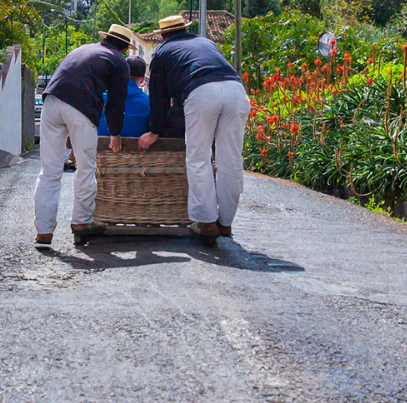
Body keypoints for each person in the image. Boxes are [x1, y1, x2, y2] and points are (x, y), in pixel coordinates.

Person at [139, 15, 249, 245]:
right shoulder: (207, 43)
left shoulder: (161, 51)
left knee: (198, 158)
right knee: (230, 159)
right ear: (185, 29)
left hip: (201, 93)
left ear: (162, 35)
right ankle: (225, 222)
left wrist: (155, 131)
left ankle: (206, 222)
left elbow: (158, 97)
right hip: (236, 90)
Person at [35, 24, 138, 245]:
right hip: (81, 108)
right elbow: (116, 102)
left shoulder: (83, 49)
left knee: (49, 170)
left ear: (106, 39)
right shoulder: (119, 61)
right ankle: (81, 221)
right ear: (124, 48)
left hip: (51, 101)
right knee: (85, 167)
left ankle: (43, 231)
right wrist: (115, 133)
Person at [97, 56, 151, 139]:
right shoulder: (148, 103)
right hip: (136, 151)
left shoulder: (98, 97)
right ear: (143, 78)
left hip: (97, 150)